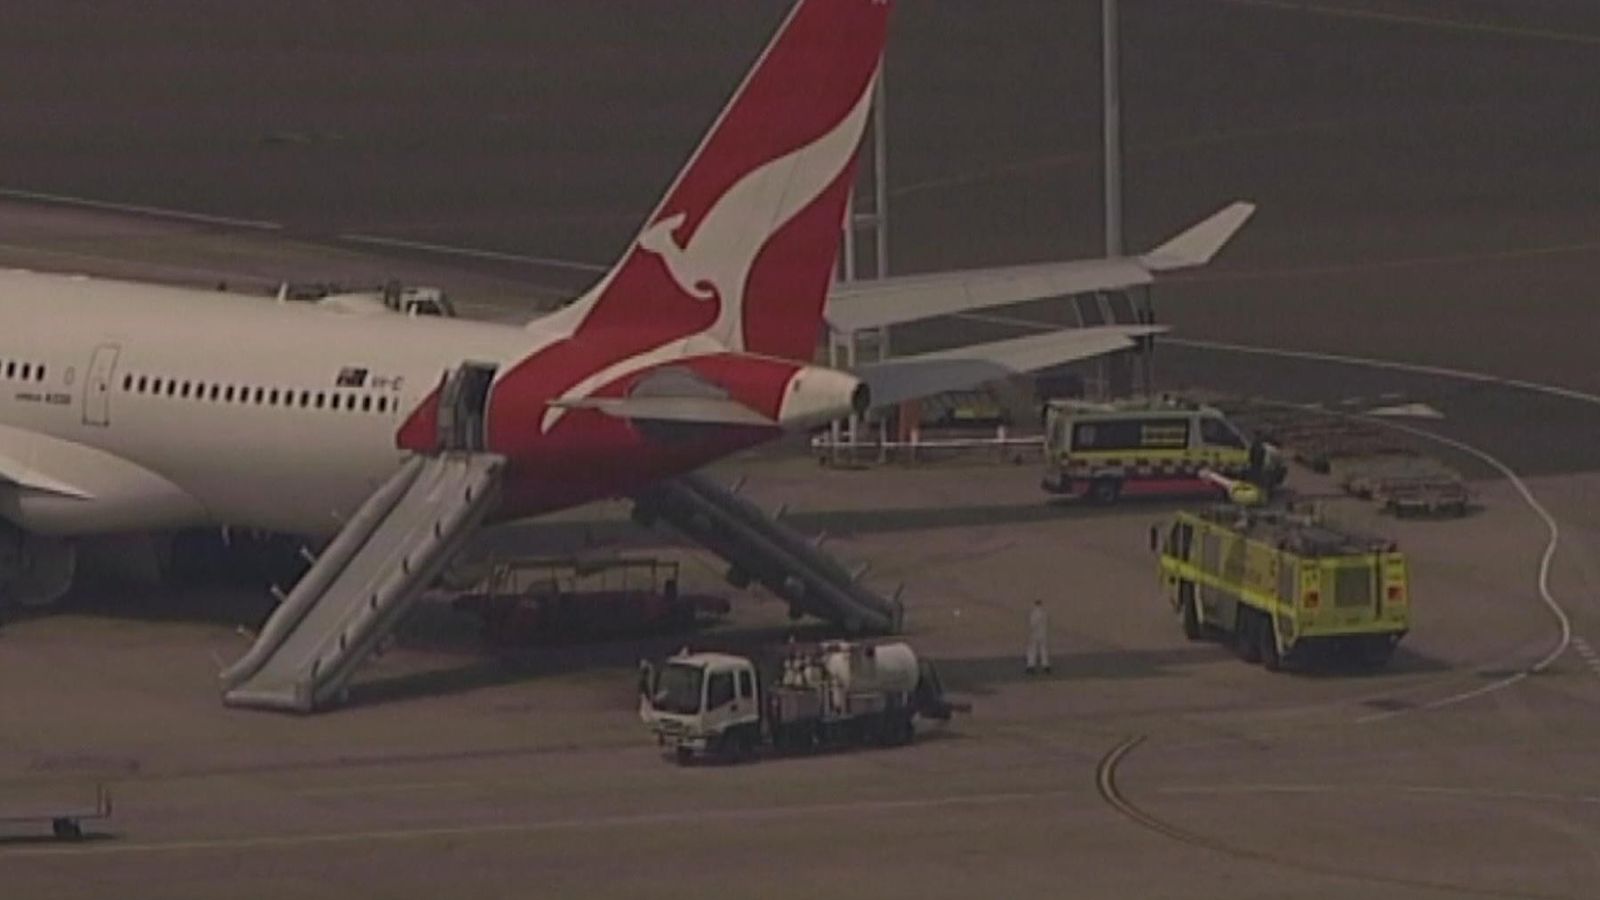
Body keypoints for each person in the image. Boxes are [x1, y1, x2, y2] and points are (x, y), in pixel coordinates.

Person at [1026, 600, 1051, 675]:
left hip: (1035, 634)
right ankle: (1046, 664)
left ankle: (1031, 665)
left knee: (1032, 649)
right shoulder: (1044, 613)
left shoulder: (1034, 614)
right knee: (1043, 649)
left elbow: (1032, 625)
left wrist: (1031, 633)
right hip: (1043, 634)